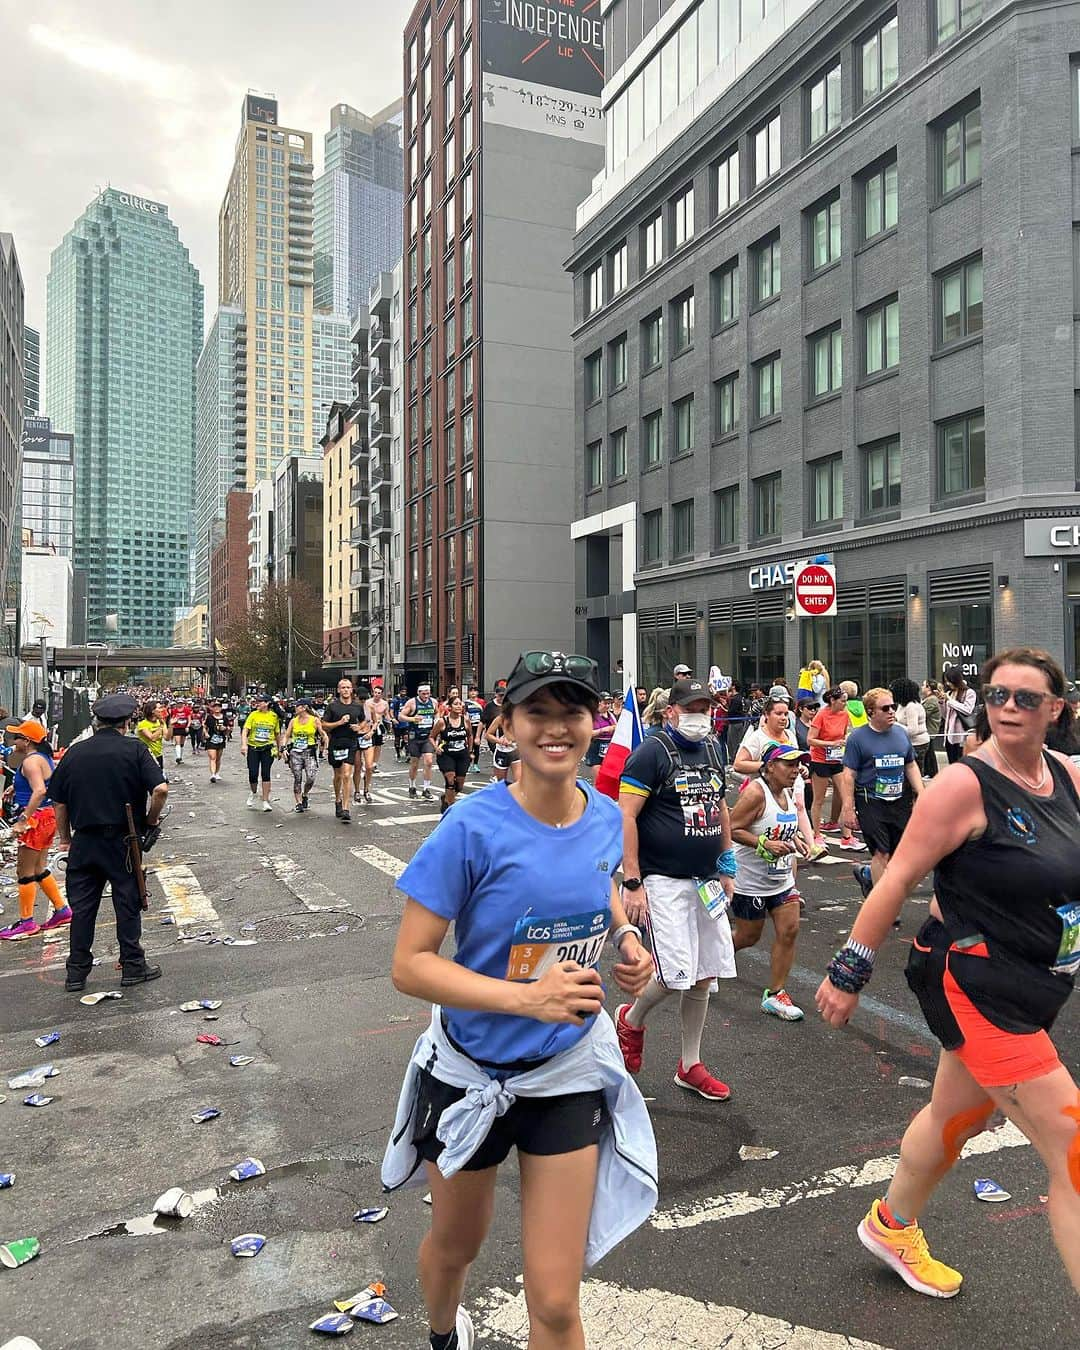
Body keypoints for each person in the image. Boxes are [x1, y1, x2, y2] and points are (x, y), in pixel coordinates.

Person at [382, 650, 657, 1350]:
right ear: (505, 724)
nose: (557, 728)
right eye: (539, 711)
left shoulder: (602, 817)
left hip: (563, 1072)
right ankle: (444, 1332)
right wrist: (524, 997)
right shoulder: (471, 827)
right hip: (469, 1072)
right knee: (456, 1247)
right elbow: (410, 967)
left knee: (558, 1302)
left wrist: (623, 937)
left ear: (596, 722)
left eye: (573, 711)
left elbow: (596, 887)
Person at [816, 647, 1080, 1299]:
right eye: (997, 695)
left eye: (1025, 698)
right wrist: (849, 971)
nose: (1008, 708)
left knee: (954, 1118)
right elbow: (897, 878)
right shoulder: (966, 784)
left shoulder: (1069, 777)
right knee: (1073, 1153)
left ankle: (891, 1225)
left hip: (1034, 981)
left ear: (1056, 708)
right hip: (977, 986)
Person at [615, 679, 738, 1101]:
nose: (699, 716)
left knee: (704, 974)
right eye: (691, 708)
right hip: (663, 879)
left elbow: (719, 804)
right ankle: (632, 1018)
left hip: (705, 880)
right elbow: (626, 816)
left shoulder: (713, 748)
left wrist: (727, 861)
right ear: (670, 711)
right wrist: (632, 882)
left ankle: (690, 1063)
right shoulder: (651, 752)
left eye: (705, 707)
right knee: (671, 974)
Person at [50, 693, 168, 991]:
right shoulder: (135, 750)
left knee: (83, 909)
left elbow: (59, 804)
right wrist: (150, 821)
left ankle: (76, 973)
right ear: (127, 722)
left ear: (97, 721)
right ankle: (132, 966)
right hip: (122, 841)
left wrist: (65, 839)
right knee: (127, 903)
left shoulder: (75, 753)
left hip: (85, 841)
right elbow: (161, 790)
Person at [729, 743, 812, 1020]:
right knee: (747, 937)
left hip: (781, 880)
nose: (796, 769)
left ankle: (776, 994)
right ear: (769, 767)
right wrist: (763, 843)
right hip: (750, 882)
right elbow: (732, 828)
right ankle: (710, 960)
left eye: (798, 764)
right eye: (789, 764)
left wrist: (795, 838)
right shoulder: (756, 792)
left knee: (789, 930)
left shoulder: (786, 791)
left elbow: (778, 825)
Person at [838, 687, 924, 901]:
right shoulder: (858, 738)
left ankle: (867, 874)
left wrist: (921, 793)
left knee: (898, 855)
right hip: (870, 800)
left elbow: (910, 765)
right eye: (885, 708)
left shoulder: (901, 733)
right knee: (881, 852)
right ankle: (882, 904)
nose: (891, 711)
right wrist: (848, 808)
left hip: (899, 800)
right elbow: (848, 775)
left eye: (893, 706)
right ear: (870, 712)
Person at [0, 721, 70, 940]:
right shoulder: (41, 758)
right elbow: (39, 784)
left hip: (37, 819)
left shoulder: (30, 762)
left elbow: (39, 790)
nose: (13, 741)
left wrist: (23, 819)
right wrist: (16, 787)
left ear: (27, 741)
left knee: (24, 871)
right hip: (47, 817)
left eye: (17, 737)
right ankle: (62, 910)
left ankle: (27, 922)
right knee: (39, 868)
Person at [808, 688, 863, 851]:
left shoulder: (845, 715)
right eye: (843, 701)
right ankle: (816, 835)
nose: (845, 704)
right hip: (820, 760)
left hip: (838, 759)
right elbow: (810, 739)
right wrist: (830, 744)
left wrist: (845, 740)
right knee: (819, 799)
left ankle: (847, 837)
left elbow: (846, 732)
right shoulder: (821, 715)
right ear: (833, 700)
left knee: (847, 795)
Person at [320, 678, 367, 822]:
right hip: (336, 743)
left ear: (352, 690)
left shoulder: (357, 706)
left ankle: (346, 808)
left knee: (347, 775)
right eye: (343, 688)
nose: (346, 690)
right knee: (338, 776)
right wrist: (339, 723)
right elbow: (324, 725)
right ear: (339, 690)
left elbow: (363, 720)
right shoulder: (333, 707)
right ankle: (338, 800)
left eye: (348, 687)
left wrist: (359, 727)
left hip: (351, 742)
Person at [282, 698, 326, 813]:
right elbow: (286, 735)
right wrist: (283, 748)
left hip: (309, 752)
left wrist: (325, 745)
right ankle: (298, 803)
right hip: (295, 752)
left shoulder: (314, 720)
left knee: (311, 777)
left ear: (304, 707)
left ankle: (305, 794)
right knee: (297, 778)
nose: (295, 708)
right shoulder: (293, 721)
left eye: (297, 706)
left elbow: (322, 733)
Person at [432, 694, 473, 814]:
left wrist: (470, 751)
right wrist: (436, 748)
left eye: (460, 704)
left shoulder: (465, 720)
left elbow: (470, 735)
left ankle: (446, 797)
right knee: (450, 779)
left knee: (459, 786)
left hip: (462, 755)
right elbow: (431, 737)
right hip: (446, 754)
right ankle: (451, 808)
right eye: (456, 704)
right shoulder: (442, 721)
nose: (459, 706)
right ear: (449, 707)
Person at [241, 693, 280, 812]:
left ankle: (265, 800)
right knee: (253, 773)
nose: (257, 703)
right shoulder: (253, 715)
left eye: (260, 701)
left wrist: (280, 749)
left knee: (265, 773)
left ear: (267, 703)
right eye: (257, 701)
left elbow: (277, 733)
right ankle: (253, 792)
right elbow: (245, 730)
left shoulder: (274, 716)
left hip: (267, 748)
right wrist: (244, 745)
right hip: (253, 748)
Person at [402, 683, 439, 800]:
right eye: (423, 694)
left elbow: (437, 712)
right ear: (418, 693)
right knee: (414, 764)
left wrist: (437, 720)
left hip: (428, 737)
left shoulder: (433, 702)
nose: (426, 696)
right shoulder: (412, 703)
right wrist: (412, 719)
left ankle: (426, 789)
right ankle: (412, 786)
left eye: (428, 693)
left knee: (428, 762)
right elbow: (401, 716)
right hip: (415, 737)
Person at [892, 678, 929, 776]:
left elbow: (913, 731)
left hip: (917, 744)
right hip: (907, 743)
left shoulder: (911, 706)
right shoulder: (901, 705)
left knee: (914, 774)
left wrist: (895, 724)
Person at [942, 665, 978, 764]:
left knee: (962, 764)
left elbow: (967, 710)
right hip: (949, 734)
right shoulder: (950, 693)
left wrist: (950, 701)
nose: (948, 683)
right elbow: (946, 715)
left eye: (949, 681)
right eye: (946, 681)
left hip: (961, 735)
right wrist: (941, 702)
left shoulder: (969, 693)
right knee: (952, 764)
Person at [583, 692, 617, 784]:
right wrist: (602, 730)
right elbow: (587, 733)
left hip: (608, 746)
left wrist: (615, 728)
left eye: (609, 703)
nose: (607, 706)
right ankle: (596, 795)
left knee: (608, 779)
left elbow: (616, 727)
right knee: (598, 778)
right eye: (605, 703)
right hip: (595, 746)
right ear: (598, 703)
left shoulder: (611, 715)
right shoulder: (592, 715)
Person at [352, 688, 376, 807]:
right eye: (361, 699)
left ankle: (366, 789)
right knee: (357, 766)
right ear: (355, 697)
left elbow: (375, 721)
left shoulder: (370, 707)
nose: (363, 701)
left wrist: (371, 732)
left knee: (369, 766)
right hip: (356, 738)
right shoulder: (352, 707)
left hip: (367, 737)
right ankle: (357, 790)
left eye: (365, 699)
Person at [136, 700, 170, 775]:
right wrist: (161, 726)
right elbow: (152, 738)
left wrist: (172, 726)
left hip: (158, 754)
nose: (162, 710)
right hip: (147, 755)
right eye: (159, 708)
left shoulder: (161, 722)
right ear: (152, 711)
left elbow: (167, 738)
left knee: (160, 777)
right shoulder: (143, 724)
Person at [365, 684, 391, 777]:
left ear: (381, 694)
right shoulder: (368, 702)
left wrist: (391, 721)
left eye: (379, 693)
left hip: (379, 726)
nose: (376, 694)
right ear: (373, 693)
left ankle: (374, 764)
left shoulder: (384, 703)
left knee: (378, 745)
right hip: (368, 726)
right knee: (369, 745)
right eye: (375, 692)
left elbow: (386, 715)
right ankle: (368, 763)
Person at [920, 679, 942, 779]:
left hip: (930, 730)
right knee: (929, 752)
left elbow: (923, 714)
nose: (921, 687)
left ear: (928, 687)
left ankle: (931, 772)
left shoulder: (932, 700)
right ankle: (930, 772)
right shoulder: (927, 699)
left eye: (923, 685)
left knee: (929, 753)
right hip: (927, 730)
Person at [204, 700, 227, 783]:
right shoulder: (209, 717)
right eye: (215, 706)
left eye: (218, 706)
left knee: (218, 758)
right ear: (212, 708)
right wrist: (206, 733)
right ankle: (213, 774)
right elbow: (204, 726)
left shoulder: (224, 718)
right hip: (211, 740)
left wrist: (225, 729)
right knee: (212, 757)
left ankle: (217, 773)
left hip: (221, 740)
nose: (217, 708)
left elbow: (228, 729)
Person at [465, 686, 485, 771]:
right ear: (468, 693)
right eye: (471, 691)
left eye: (475, 691)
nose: (473, 693)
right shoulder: (466, 703)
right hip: (469, 726)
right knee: (469, 745)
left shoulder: (482, 702)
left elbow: (484, 714)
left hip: (478, 726)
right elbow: (464, 714)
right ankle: (468, 763)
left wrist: (484, 724)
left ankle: (476, 764)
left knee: (477, 745)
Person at [169, 699, 192, 764]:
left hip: (184, 728)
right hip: (177, 728)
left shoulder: (186, 710)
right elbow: (172, 719)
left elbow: (189, 719)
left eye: (181, 703)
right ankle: (178, 757)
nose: (180, 704)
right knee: (178, 742)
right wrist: (173, 722)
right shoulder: (174, 710)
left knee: (182, 743)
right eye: (178, 703)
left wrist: (188, 726)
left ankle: (180, 757)